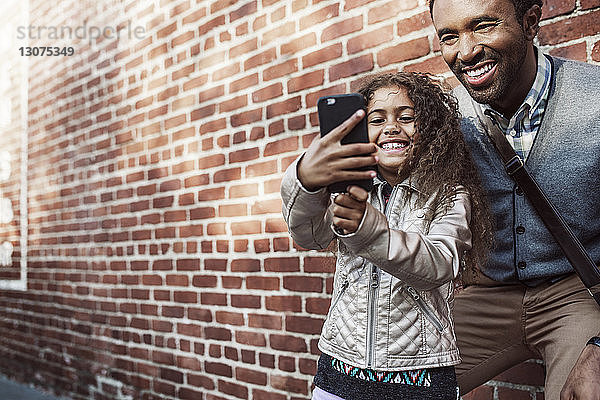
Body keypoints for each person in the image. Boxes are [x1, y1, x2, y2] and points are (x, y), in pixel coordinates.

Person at [280, 72, 493, 399]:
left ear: (431, 131)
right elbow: (309, 234)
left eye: (407, 118)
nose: (392, 127)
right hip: (339, 367)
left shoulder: (449, 195)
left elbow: (438, 264)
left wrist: (368, 231)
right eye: (377, 119)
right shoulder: (345, 190)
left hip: (419, 375)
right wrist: (305, 180)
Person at [427, 0, 600, 399]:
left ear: (530, 21)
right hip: (486, 294)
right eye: (449, 36)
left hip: (576, 292)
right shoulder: (446, 117)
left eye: (483, 26)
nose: (465, 51)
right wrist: (311, 183)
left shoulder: (594, 98)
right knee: (389, 383)